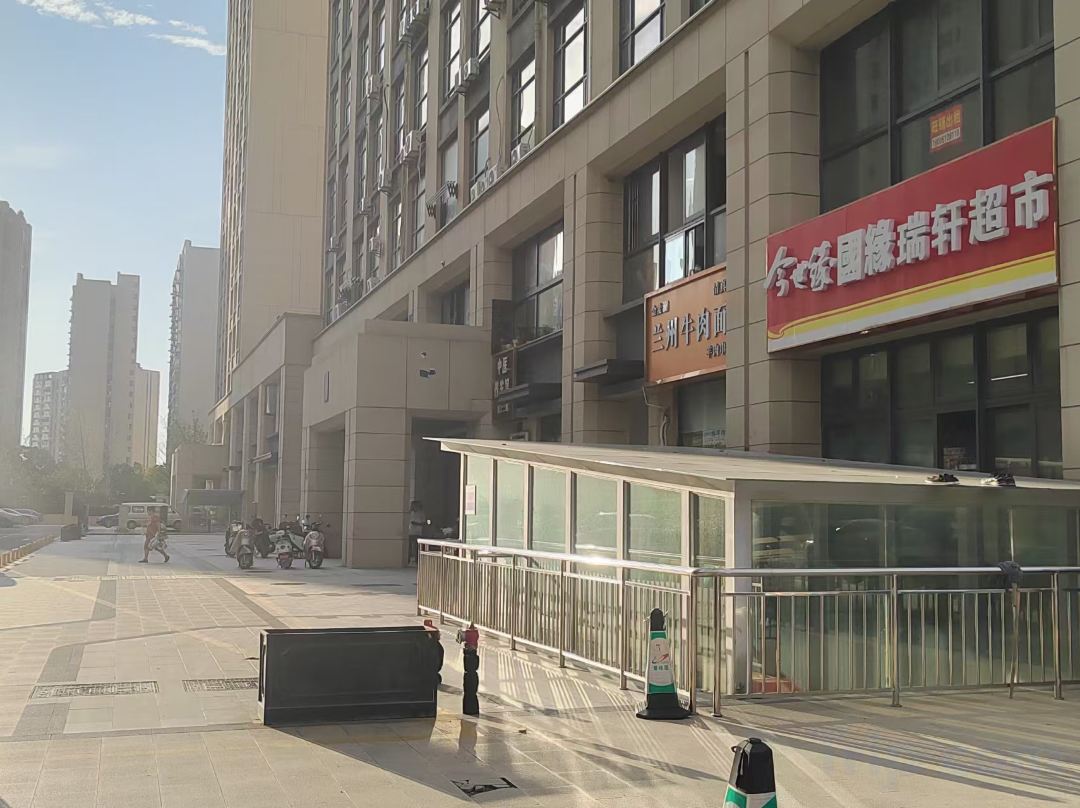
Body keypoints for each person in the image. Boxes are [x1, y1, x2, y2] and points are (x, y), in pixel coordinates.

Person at [408, 500, 426, 564]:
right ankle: (408, 559)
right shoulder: (409, 513)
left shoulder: (421, 513)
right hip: (409, 532)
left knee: (416, 547)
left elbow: (424, 523)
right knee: (408, 547)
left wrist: (416, 523)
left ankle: (417, 560)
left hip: (417, 532)